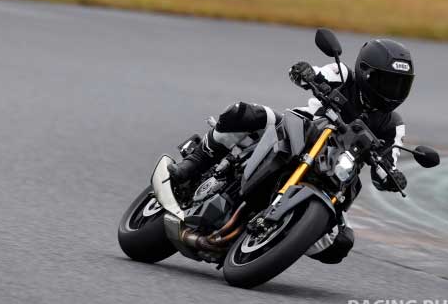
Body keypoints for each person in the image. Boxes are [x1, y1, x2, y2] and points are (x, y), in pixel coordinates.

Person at [168, 38, 415, 263]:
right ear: (366, 72)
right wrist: (304, 73)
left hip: (334, 170)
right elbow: (305, 74)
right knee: (242, 113)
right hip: (298, 130)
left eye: (400, 85)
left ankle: (277, 237)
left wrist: (392, 177)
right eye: (388, 82)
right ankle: (194, 162)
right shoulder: (341, 75)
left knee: (340, 244)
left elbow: (387, 165)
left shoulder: (393, 125)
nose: (393, 91)